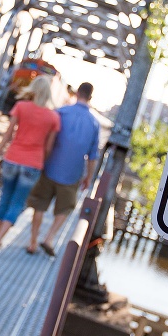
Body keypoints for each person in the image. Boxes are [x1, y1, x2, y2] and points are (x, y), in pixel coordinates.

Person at [0, 75, 61, 259]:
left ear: (33, 89)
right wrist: (41, 163)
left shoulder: (21, 107)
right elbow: (49, 147)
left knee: (5, 198)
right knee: (17, 203)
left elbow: (7, 135)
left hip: (12, 159)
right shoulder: (53, 117)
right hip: (32, 164)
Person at [26, 82, 100, 256]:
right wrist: (88, 177)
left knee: (40, 204)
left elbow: (44, 139)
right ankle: (49, 238)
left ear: (76, 93)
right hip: (72, 173)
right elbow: (93, 156)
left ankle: (33, 242)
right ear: (90, 97)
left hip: (49, 166)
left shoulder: (60, 112)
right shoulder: (94, 124)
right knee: (65, 208)